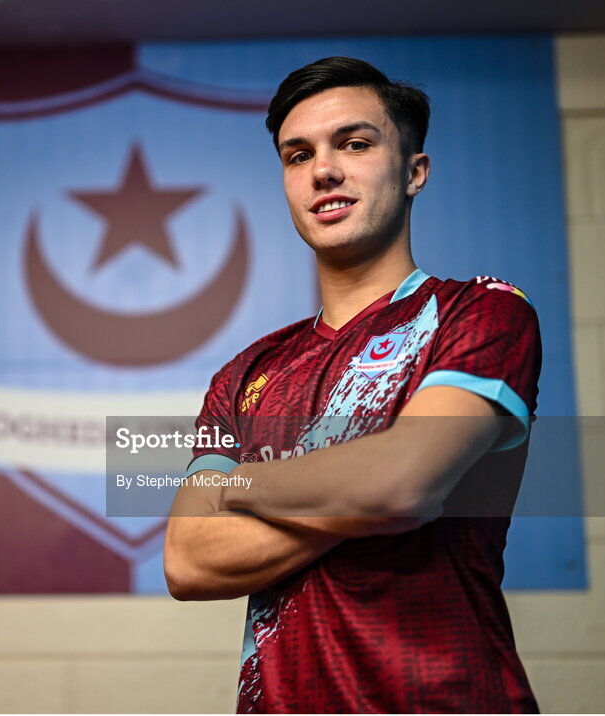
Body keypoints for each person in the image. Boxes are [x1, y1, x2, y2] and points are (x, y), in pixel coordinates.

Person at [163, 57, 541, 713]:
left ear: (414, 171)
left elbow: (398, 486)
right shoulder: (244, 372)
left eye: (355, 143)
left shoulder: (480, 311)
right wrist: (357, 485)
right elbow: (188, 560)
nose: (323, 170)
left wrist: (231, 487)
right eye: (296, 154)